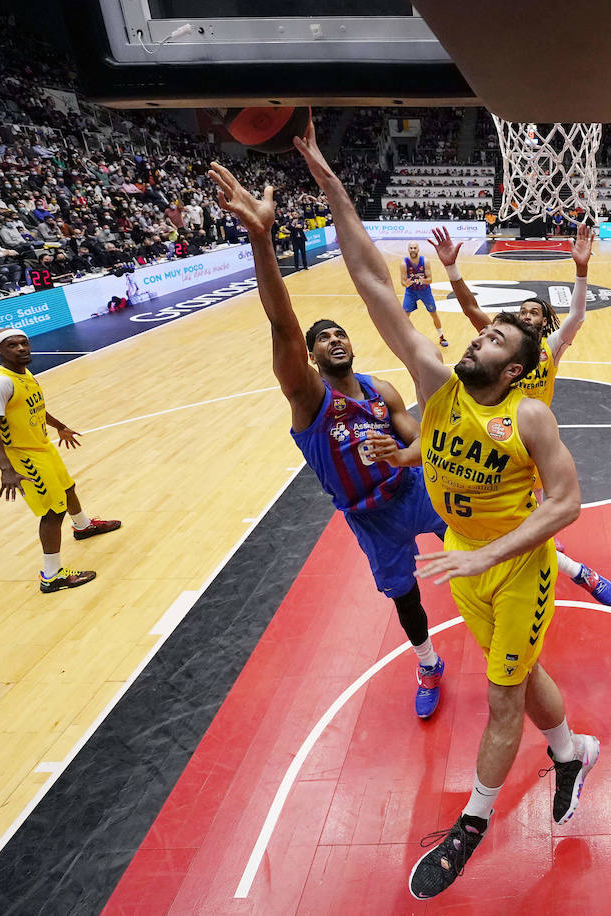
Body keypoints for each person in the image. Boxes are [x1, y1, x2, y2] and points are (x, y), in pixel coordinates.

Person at [293, 122, 599, 901]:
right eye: (483, 328)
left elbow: (565, 502)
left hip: (513, 564)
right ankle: (572, 752)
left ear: (521, 364)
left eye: (496, 334)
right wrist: (330, 183)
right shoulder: (436, 382)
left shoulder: (531, 415)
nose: (479, 336)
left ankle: (473, 824)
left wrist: (490, 555)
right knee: (524, 680)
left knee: (502, 696)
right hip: (461, 553)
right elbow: (369, 279)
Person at [207, 161, 450, 719]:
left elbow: (422, 444)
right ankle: (429, 662)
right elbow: (283, 326)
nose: (334, 339)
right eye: (323, 339)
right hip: (369, 514)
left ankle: (558, 571)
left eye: (341, 333)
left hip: (412, 489)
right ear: (312, 357)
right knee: (406, 597)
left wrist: (414, 452)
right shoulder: (309, 400)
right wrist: (261, 240)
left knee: (480, 529)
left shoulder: (382, 389)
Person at [427, 222, 611, 606]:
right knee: (522, 525)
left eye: (535, 312)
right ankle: (581, 572)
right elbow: (468, 307)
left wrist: (581, 270)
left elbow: (578, 314)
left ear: (544, 321)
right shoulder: (498, 341)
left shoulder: (550, 348)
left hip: (528, 441)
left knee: (538, 518)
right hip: (487, 437)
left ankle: (573, 568)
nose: (528, 315)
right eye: (523, 311)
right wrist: (452, 269)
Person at [0, 329, 121, 592]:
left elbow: (34, 408)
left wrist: (60, 426)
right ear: (0, 351)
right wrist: (6, 469)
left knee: (68, 488)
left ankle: (83, 526)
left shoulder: (24, 373)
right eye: (13, 345)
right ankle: (52, 575)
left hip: (41, 446)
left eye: (24, 343)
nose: (21, 348)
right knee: (53, 511)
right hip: (23, 455)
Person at [400, 241, 449, 348]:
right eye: (411, 248)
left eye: (414, 248)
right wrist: (406, 283)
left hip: (425, 291)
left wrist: (424, 280)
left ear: (418, 249)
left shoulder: (425, 262)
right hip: (411, 291)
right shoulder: (404, 264)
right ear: (408, 250)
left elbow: (430, 279)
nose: (413, 250)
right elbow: (402, 281)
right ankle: (403, 339)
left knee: (433, 313)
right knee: (405, 316)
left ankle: (441, 337)